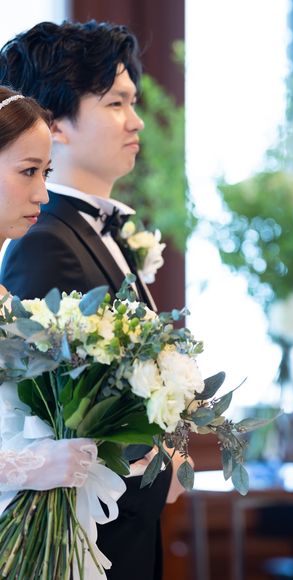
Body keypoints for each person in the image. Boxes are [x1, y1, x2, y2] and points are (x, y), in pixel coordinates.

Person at [0, 20, 183, 579]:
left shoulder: (93, 235)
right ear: (57, 122)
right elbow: (54, 411)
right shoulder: (43, 244)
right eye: (115, 102)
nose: (136, 121)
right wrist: (36, 465)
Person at [0, 85, 98, 518]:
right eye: (28, 171)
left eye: (46, 171)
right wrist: (33, 467)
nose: (43, 193)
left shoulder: (9, 300)